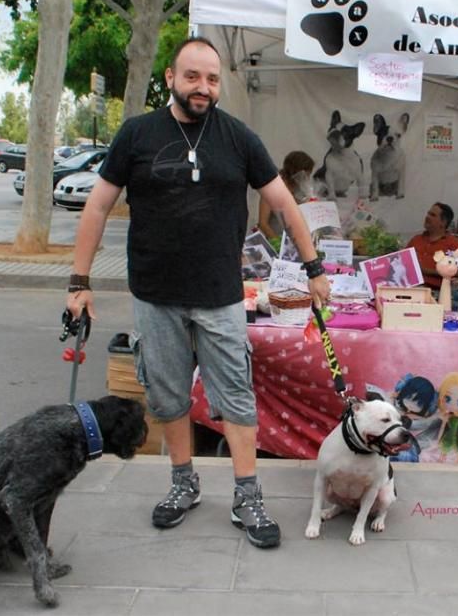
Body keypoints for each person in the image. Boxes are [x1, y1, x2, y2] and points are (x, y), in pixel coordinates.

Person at [66, 37, 330, 550]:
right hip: (155, 293)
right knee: (166, 396)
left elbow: (283, 202)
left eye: (212, 78)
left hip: (220, 297)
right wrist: (79, 283)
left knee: (235, 397)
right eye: (193, 76)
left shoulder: (238, 138)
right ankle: (183, 484)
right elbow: (97, 207)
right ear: (170, 77)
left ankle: (247, 495)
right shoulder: (137, 134)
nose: (203, 87)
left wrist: (314, 267)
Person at [257, 150, 315, 239]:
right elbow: (263, 223)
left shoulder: (301, 188)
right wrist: (278, 243)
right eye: (305, 175)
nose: (307, 178)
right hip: (276, 236)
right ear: (295, 172)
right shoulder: (272, 187)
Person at [406, 203, 458, 290]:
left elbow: (457, 271)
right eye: (428, 213)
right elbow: (402, 262)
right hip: (409, 288)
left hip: (436, 292)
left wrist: (424, 271)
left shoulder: (453, 244)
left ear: (443, 222)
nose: (427, 217)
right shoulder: (416, 240)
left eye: (432, 215)